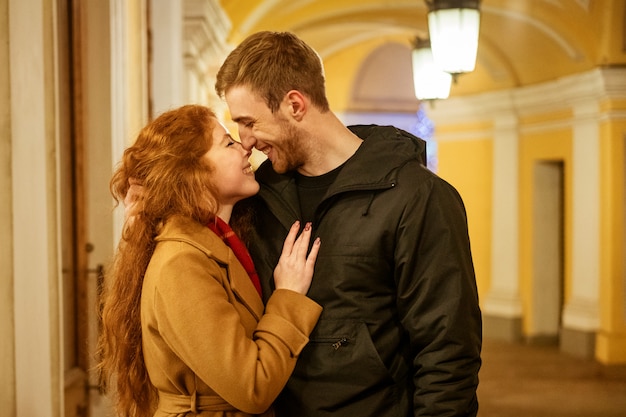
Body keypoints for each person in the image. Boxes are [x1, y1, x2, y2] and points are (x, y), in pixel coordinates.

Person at [214, 31, 482, 417]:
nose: (246, 141)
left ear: (294, 104)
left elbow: (448, 353)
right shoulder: (257, 200)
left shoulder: (418, 197)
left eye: (249, 122)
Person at [96, 104, 323, 417]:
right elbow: (251, 387)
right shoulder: (182, 263)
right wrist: (289, 294)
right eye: (227, 143)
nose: (246, 147)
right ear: (191, 171)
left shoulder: (214, 243)